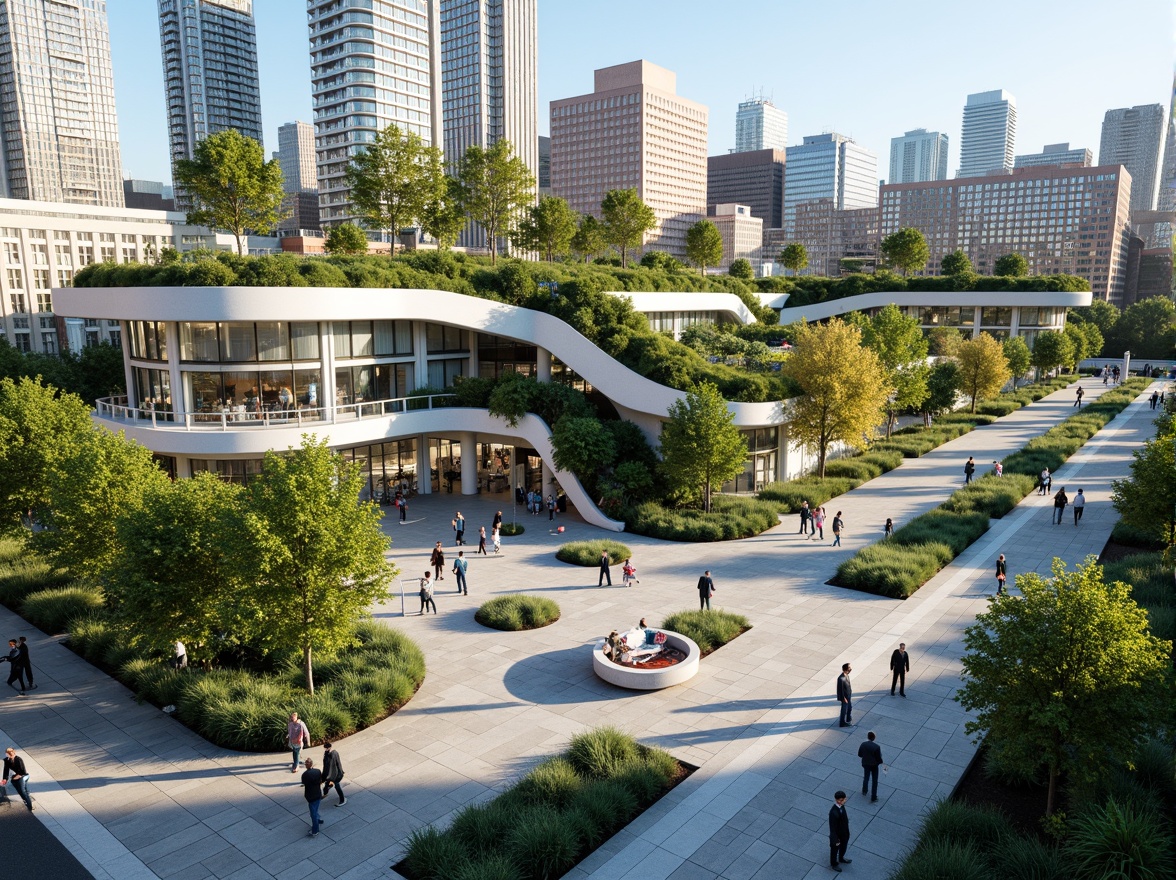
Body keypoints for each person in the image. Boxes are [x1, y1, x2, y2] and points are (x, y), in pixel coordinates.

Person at [828, 791, 851, 871]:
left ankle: (841, 858)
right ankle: (834, 864)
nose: (842, 802)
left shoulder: (842, 806)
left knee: (844, 847)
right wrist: (835, 839)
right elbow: (832, 828)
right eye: (840, 800)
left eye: (843, 800)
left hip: (844, 833)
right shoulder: (833, 812)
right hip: (837, 836)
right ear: (836, 800)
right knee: (834, 850)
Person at [301, 758, 325, 836]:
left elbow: (304, 782)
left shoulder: (305, 775)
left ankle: (315, 830)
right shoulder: (318, 771)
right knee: (316, 809)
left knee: (313, 814)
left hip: (311, 797)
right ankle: (318, 820)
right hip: (318, 794)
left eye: (306, 764)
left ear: (307, 765)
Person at [858, 732, 884, 802]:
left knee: (866, 777)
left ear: (868, 737)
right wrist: (881, 762)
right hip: (874, 765)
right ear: (874, 738)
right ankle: (873, 797)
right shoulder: (877, 747)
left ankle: (864, 790)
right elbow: (878, 759)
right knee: (874, 781)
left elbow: (860, 754)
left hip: (865, 764)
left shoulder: (863, 744)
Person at [321, 742, 346, 807]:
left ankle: (342, 799)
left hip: (335, 774)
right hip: (331, 774)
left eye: (326, 748)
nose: (326, 749)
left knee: (337, 786)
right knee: (327, 785)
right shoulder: (327, 754)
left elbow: (335, 765)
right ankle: (325, 793)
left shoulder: (332, 754)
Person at [836, 663, 853, 727]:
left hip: (848, 695)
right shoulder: (841, 678)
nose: (850, 669)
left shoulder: (847, 675)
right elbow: (840, 689)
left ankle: (848, 719)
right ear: (846, 669)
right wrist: (843, 698)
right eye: (849, 668)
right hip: (845, 697)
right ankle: (842, 722)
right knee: (844, 710)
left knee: (849, 708)